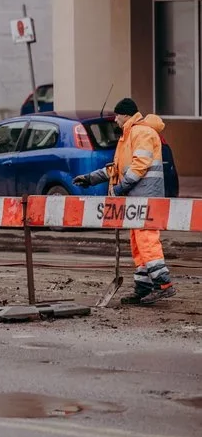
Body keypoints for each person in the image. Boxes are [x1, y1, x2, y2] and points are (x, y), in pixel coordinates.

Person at [73, 98, 176, 306]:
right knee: (138, 245)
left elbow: (139, 167)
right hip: (137, 200)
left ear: (126, 115)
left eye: (117, 116)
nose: (115, 121)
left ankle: (163, 285)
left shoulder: (142, 132)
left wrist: (120, 189)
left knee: (147, 242)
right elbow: (116, 169)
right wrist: (90, 178)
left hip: (147, 199)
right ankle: (143, 288)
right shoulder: (127, 136)